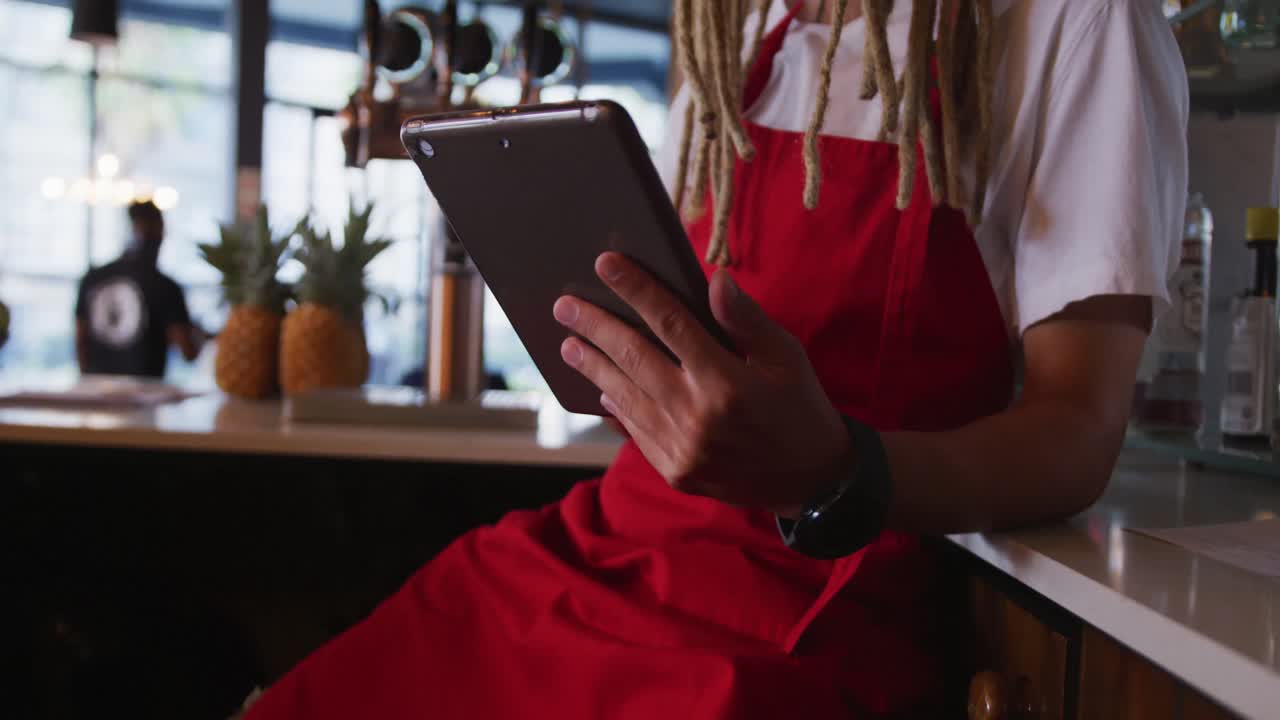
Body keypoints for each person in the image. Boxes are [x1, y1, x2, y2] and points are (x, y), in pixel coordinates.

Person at [247, 0, 1187, 717]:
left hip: (805, 612)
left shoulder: (1071, 20)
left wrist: (840, 469)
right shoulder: (734, 26)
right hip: (603, 546)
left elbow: (1080, 430)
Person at [75, 200, 203, 378]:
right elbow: (188, 351)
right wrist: (199, 334)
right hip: (146, 393)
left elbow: (80, 341)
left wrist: (86, 383)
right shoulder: (165, 286)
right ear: (159, 231)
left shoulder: (92, 277)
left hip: (95, 387)